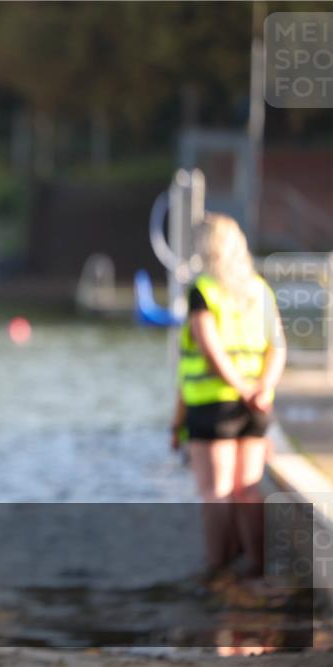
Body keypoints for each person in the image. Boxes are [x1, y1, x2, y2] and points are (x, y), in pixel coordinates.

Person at [171, 213, 286, 582]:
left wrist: (238, 388)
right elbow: (278, 346)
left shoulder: (202, 290)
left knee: (216, 492)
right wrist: (262, 388)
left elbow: (210, 348)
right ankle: (257, 567)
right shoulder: (259, 289)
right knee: (248, 490)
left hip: (213, 405)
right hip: (255, 407)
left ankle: (217, 574)